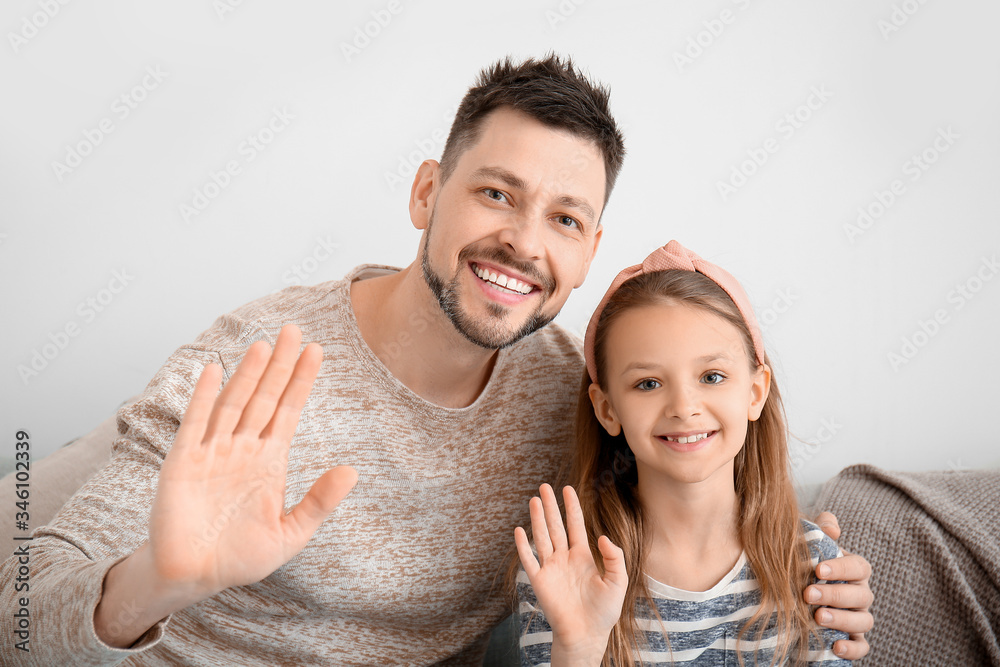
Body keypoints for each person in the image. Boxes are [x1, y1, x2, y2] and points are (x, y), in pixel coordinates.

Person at [0, 57, 872, 665]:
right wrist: (156, 580)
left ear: (590, 248)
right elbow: (23, 626)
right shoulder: (255, 363)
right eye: (497, 192)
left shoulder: (580, 399)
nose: (524, 242)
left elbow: (694, 498)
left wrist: (819, 580)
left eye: (565, 218)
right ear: (427, 192)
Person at [515, 241, 855, 665]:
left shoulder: (812, 563)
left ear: (755, 393)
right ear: (607, 409)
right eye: (648, 384)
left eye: (712, 376)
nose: (683, 407)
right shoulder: (567, 568)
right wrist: (577, 651)